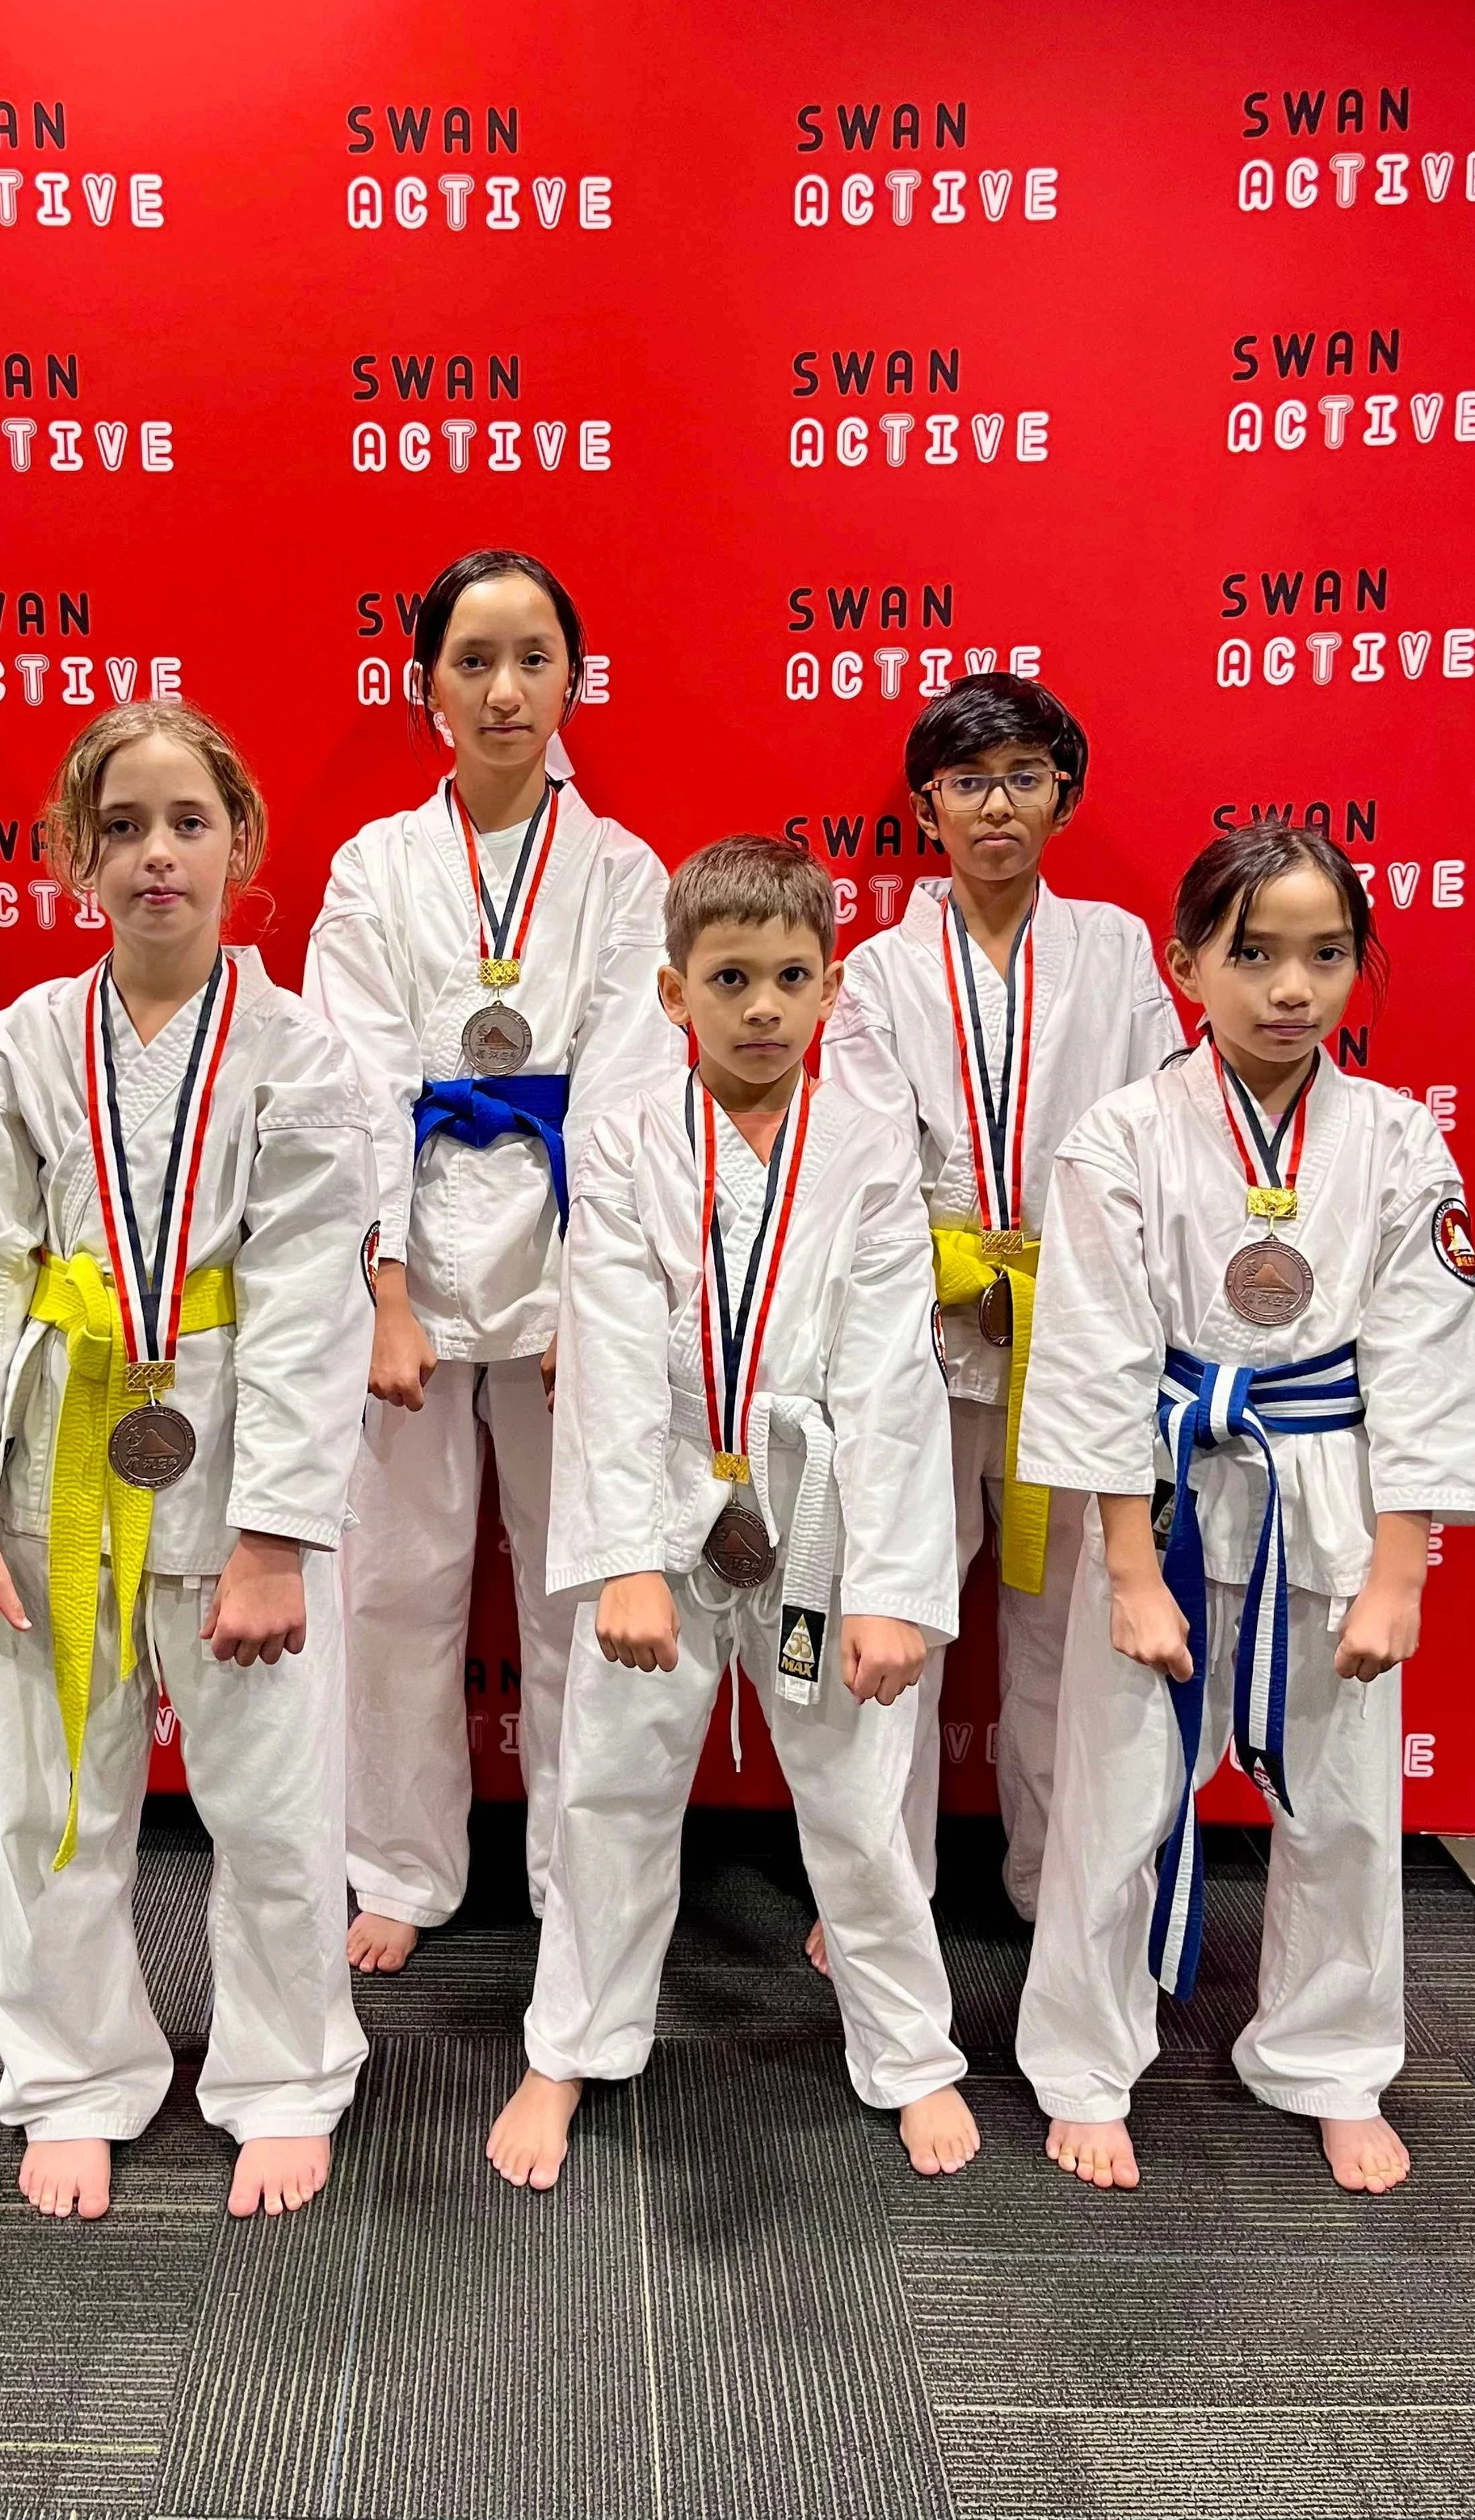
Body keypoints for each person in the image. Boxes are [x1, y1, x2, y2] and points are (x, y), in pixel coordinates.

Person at [0, 699, 375, 2224]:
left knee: (277, 1813)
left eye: (188, 821)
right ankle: (73, 2073)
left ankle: (285, 2072)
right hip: (59, 1486)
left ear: (243, 847)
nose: (155, 852)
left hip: (240, 1482)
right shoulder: (21, 1048)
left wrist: (279, 1537)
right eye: (121, 826)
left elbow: (313, 1301)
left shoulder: (305, 1053)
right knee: (59, 1805)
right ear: (71, 858)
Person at [1014, 825, 1475, 2194]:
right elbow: (1097, 1355)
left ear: (1360, 966)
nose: (1292, 986)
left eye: (1326, 954)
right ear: (1186, 966)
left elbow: (1427, 1360)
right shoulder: (1120, 1135)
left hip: (1329, 1508)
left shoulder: (1399, 1141)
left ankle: (1330, 2056)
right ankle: (1083, 2057)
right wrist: (1126, 1569)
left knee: (1346, 1808)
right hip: (1165, 1504)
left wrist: (1400, 1575)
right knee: (1117, 1797)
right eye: (1255, 954)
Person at [488, 836, 975, 2190]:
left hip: (817, 1513)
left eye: (791, 977)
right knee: (614, 1785)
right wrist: (627, 1566)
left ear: (831, 993)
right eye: (731, 977)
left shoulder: (871, 1145)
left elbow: (890, 1381)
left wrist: (888, 1585)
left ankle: (914, 2048)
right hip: (665, 1500)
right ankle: (571, 2039)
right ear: (671, 991)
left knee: (862, 1801)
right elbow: (606, 1360)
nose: (763, 1005)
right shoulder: (629, 1135)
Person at [305, 548, 679, 1973]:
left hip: (565, 1256)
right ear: (425, 690)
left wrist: (597, 1295)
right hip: (413, 1246)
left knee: (580, 1580)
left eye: (534, 658)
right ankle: (399, 1864)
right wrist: (386, 1289)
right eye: (474, 660)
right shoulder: (376, 866)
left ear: (573, 681)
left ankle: (578, 1858)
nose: (505, 689)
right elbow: (347, 1089)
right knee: (396, 1574)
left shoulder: (623, 868)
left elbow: (639, 1095)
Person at [813, 674, 1179, 1957]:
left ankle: (1051, 1874)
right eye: (969, 780)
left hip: (1072, 1341)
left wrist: (1064, 1289)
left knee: (1062, 1631)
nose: (997, 805)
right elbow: (860, 1159)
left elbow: (1148, 1134)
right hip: (927, 1336)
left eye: (1025, 776)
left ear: (1063, 797)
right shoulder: (875, 972)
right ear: (927, 804)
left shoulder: (1122, 949)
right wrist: (960, 1274)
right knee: (899, 1614)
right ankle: (880, 1889)